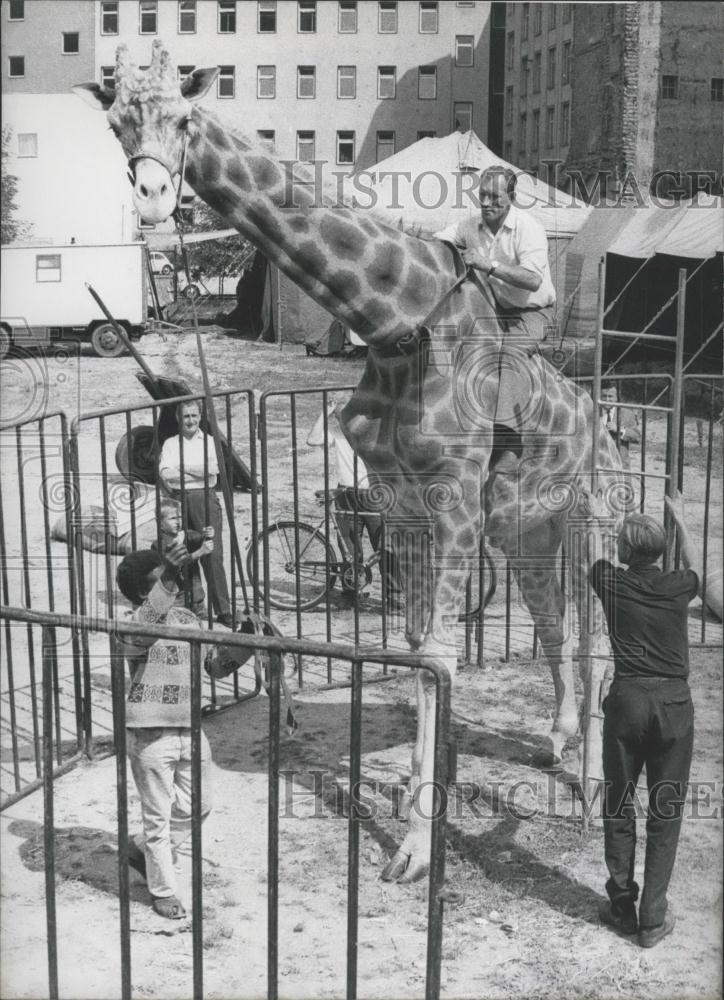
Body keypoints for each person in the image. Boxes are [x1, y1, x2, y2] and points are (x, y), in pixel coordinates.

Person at [583, 488, 705, 948]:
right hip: (674, 705)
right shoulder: (678, 586)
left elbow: (592, 554)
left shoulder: (611, 582)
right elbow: (699, 566)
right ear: (658, 552)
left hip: (628, 699)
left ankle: (620, 905)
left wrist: (596, 520)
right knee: (665, 809)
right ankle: (652, 919)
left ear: (624, 551)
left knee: (618, 803)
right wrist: (680, 516)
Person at [115, 538, 239, 920]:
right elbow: (143, 634)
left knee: (199, 804)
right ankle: (162, 890)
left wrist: (245, 646)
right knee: (158, 820)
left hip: (191, 727)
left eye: (173, 578)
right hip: (151, 734)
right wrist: (168, 577)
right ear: (143, 591)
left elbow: (214, 667)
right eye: (162, 580)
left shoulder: (187, 619)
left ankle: (138, 848)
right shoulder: (128, 622)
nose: (175, 584)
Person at [434, 165, 556, 473]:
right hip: (494, 310)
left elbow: (531, 280)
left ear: (511, 197)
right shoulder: (470, 226)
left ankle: (509, 443)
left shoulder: (528, 228)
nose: (486, 203)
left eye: (494, 196)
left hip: (531, 312)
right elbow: (437, 243)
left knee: (509, 353)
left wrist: (487, 265)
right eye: (482, 196)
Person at [307, 395, 403, 613]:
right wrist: (326, 411)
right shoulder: (338, 434)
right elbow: (312, 440)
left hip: (373, 493)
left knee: (385, 547)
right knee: (350, 550)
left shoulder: (376, 432)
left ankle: (395, 596)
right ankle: (350, 590)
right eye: (341, 416)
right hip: (346, 492)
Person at [158, 400, 238, 628]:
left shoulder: (210, 442)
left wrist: (182, 468)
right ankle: (192, 607)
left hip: (205, 500)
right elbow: (166, 474)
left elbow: (213, 472)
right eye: (186, 417)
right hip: (180, 501)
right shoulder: (171, 443)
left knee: (213, 555)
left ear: (200, 417)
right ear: (178, 419)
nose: (191, 421)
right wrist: (195, 471)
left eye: (194, 416)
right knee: (183, 553)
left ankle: (223, 610)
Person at [600, 382, 641, 469]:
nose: (607, 399)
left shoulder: (626, 414)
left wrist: (619, 430)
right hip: (599, 464)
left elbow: (638, 437)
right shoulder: (593, 413)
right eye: (604, 396)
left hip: (620, 465)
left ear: (617, 398)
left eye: (610, 396)